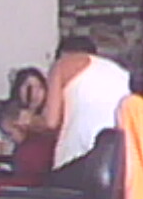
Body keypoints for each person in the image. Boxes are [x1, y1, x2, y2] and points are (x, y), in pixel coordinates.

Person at [32, 36, 132, 186]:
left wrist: (29, 122)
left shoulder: (62, 65)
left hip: (78, 160)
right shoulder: (119, 72)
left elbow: (50, 122)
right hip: (120, 160)